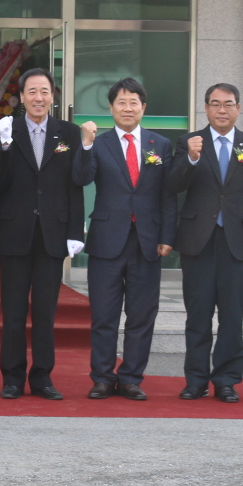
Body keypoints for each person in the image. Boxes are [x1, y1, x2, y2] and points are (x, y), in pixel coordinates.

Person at [167, 83, 243, 403]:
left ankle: (226, 380)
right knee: (198, 315)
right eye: (215, 104)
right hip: (198, 240)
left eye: (228, 104)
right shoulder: (189, 142)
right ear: (206, 108)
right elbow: (173, 184)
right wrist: (191, 158)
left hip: (237, 242)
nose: (222, 110)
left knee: (232, 316)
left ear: (238, 108)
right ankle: (196, 380)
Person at [74, 78, 175, 401]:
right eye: (121, 102)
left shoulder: (161, 145)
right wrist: (85, 144)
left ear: (143, 107)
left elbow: (168, 195)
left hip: (147, 241)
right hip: (107, 240)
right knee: (104, 315)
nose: (127, 108)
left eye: (133, 102)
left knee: (141, 315)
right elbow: (81, 178)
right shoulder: (99, 143)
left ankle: (131, 378)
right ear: (111, 107)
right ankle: (103, 378)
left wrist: (167, 235)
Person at [0, 67, 85, 400]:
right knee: (13, 312)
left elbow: (75, 186)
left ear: (52, 96)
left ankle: (42, 377)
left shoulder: (68, 133)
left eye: (44, 91)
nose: (38, 98)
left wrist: (75, 230)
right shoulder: (6, 130)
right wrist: (3, 147)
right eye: (32, 91)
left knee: (45, 312)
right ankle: (12, 378)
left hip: (52, 234)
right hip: (15, 231)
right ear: (21, 97)